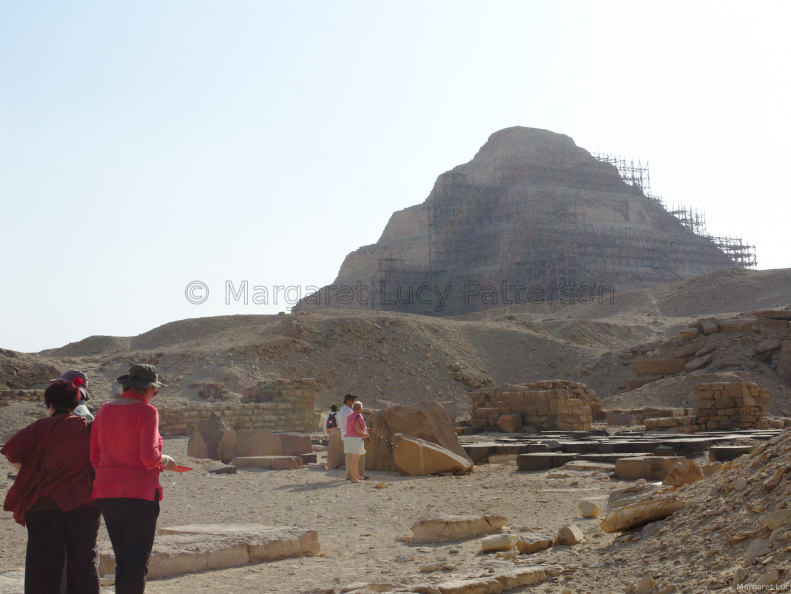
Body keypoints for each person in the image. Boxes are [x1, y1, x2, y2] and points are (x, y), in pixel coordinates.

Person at [1, 380, 100, 593]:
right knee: (84, 565)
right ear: (76, 404)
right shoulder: (87, 427)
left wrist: (31, 473)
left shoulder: (36, 428)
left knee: (42, 569)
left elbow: (12, 452)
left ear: (50, 404)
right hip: (84, 506)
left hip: (43, 507)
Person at [90, 364, 178, 594]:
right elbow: (149, 457)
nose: (155, 395)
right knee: (137, 562)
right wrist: (165, 460)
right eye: (155, 390)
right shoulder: (147, 412)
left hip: (107, 493)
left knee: (123, 559)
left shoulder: (104, 410)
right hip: (139, 493)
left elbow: (94, 456)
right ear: (147, 389)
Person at [337, 394, 366, 480]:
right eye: (352, 400)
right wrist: (364, 433)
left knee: (351, 456)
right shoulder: (348, 412)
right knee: (355, 456)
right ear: (347, 401)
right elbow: (355, 425)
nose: (353, 401)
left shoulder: (344, 411)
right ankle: (355, 474)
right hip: (351, 436)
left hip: (347, 435)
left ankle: (352, 474)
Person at [344, 400, 369, 483]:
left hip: (348, 438)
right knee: (355, 458)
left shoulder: (349, 416)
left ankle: (357, 474)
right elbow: (357, 428)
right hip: (356, 438)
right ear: (360, 408)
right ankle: (353, 478)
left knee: (356, 457)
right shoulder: (359, 416)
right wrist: (364, 434)